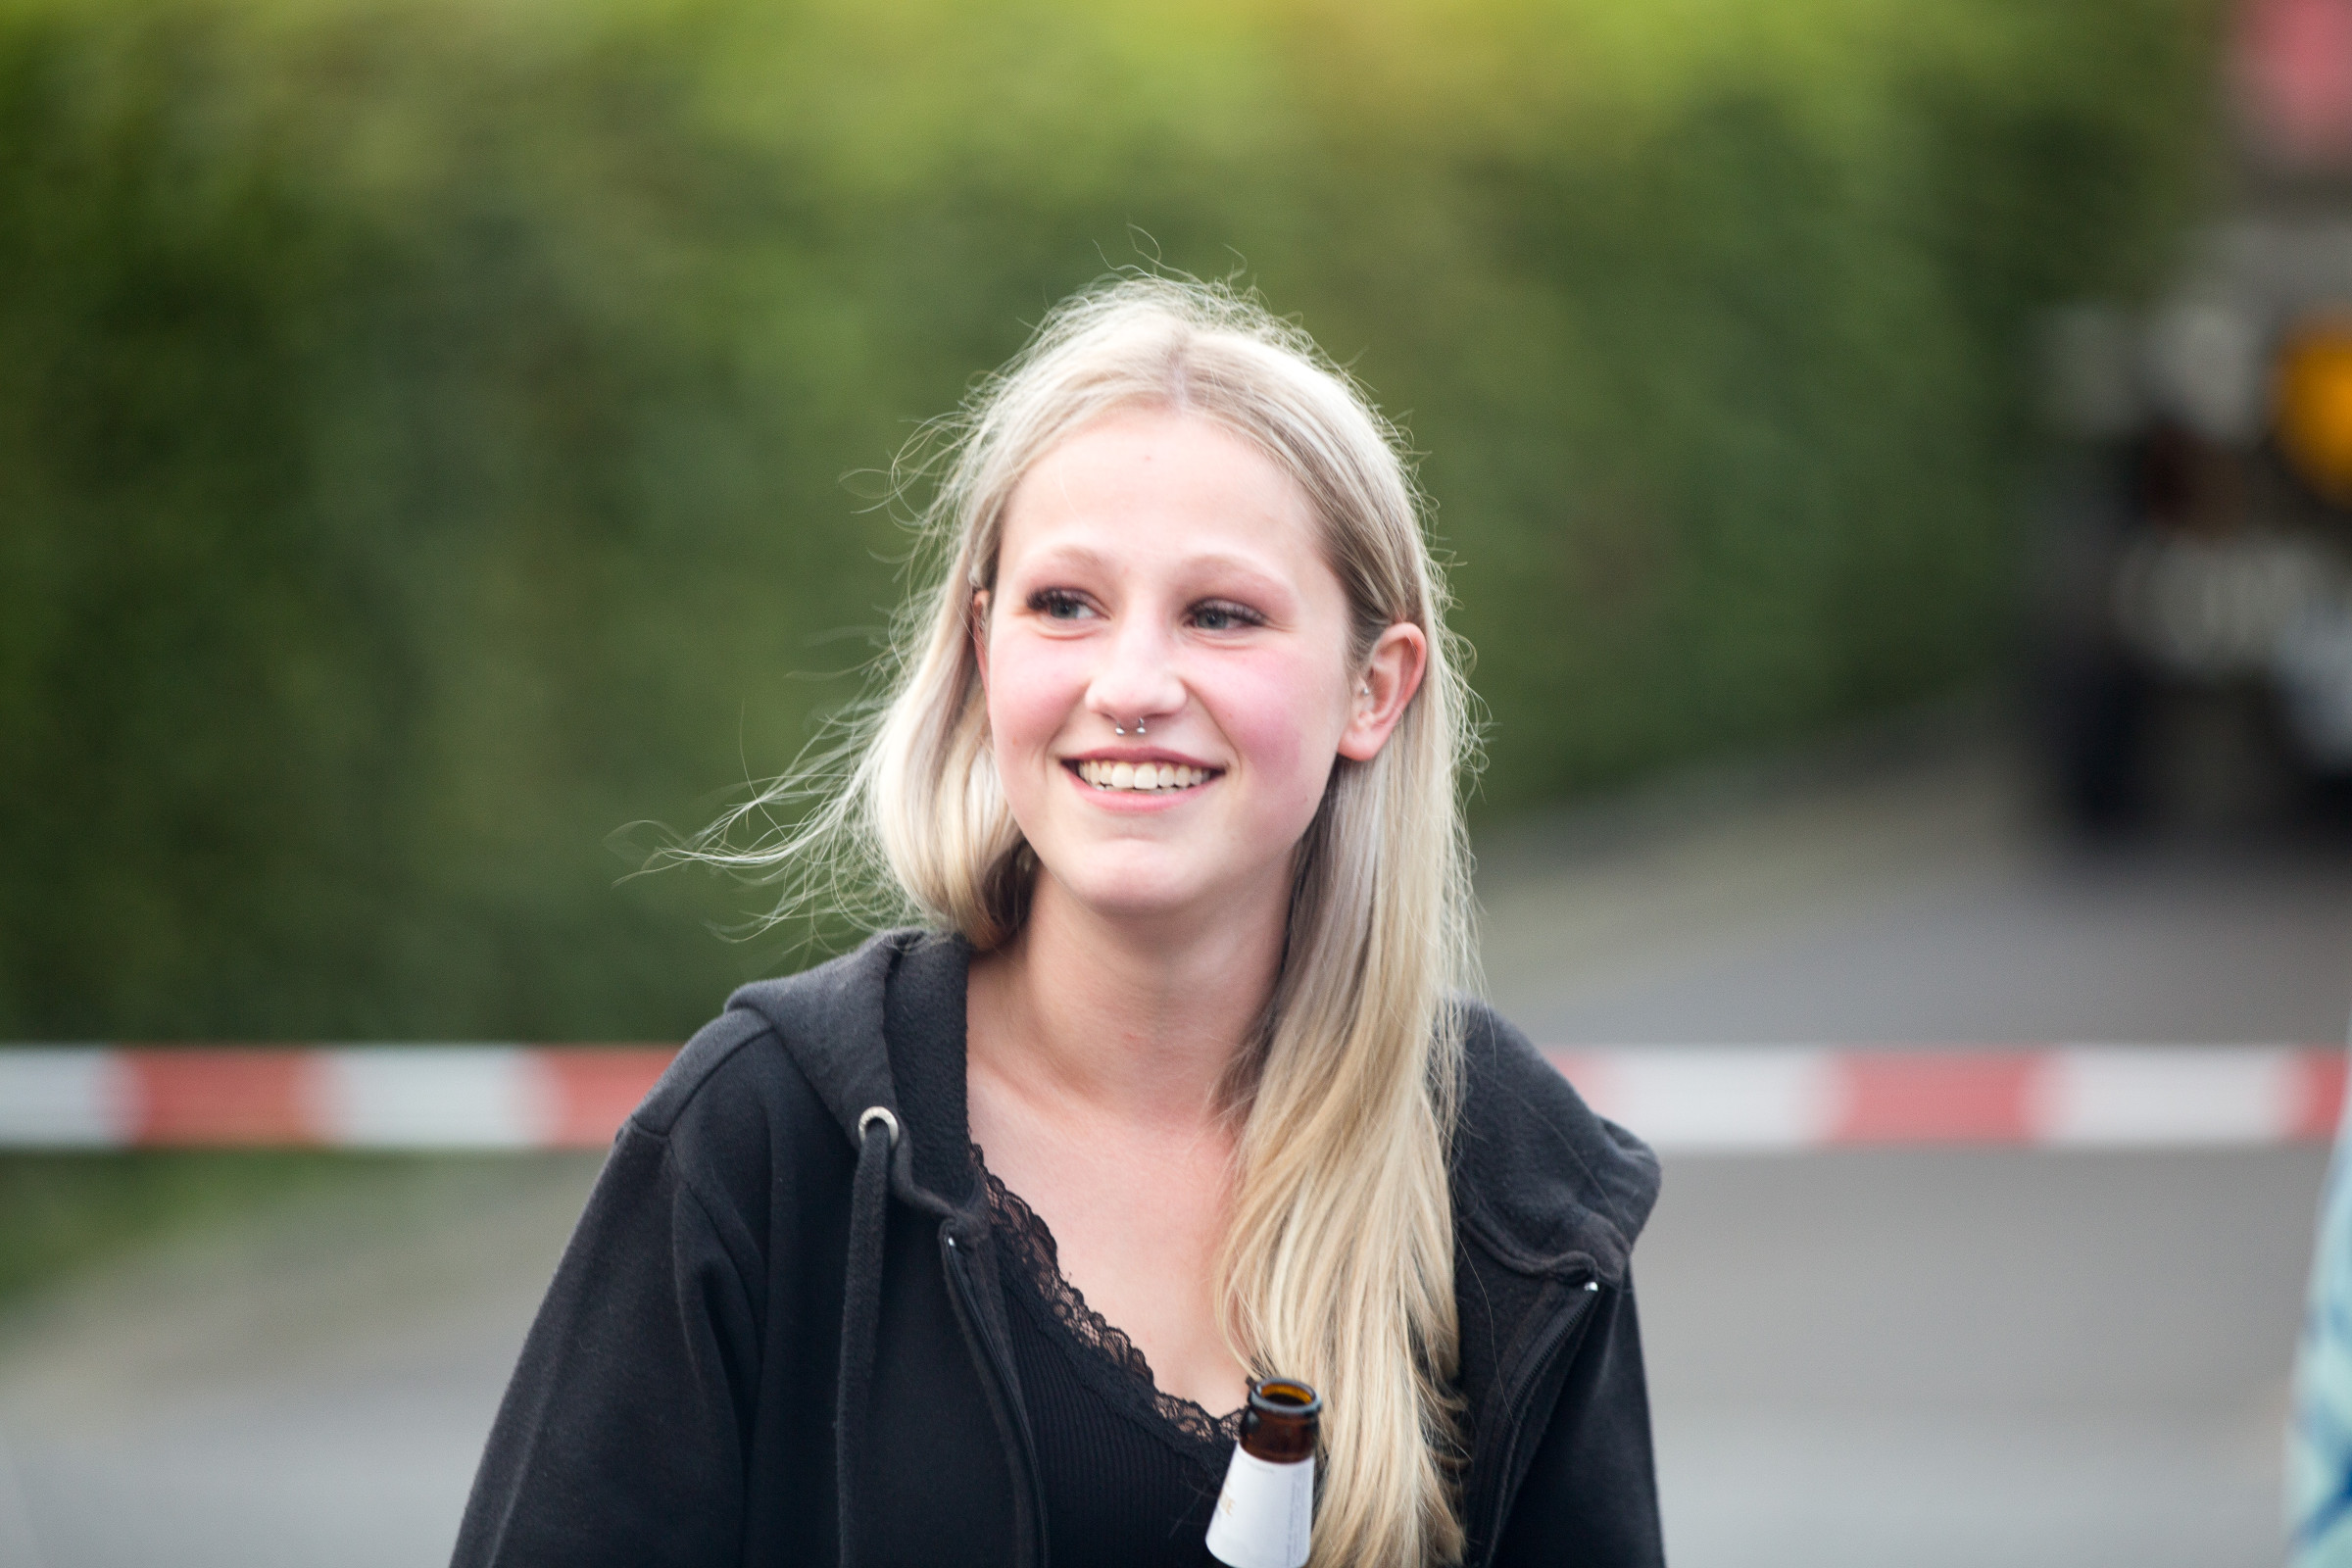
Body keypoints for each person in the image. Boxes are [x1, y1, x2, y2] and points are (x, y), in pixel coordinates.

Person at [450, 277, 1664, 1568]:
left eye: (1222, 615)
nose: (1131, 685)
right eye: (1065, 605)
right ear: (984, 652)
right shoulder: (766, 1136)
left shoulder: (1511, 1180)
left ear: (1375, 688)